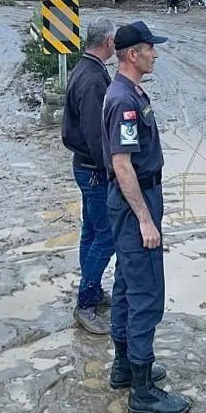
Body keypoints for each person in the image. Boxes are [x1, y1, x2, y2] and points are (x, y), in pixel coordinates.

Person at [102, 21, 190, 413]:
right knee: (145, 292)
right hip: (135, 198)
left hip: (139, 195)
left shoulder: (132, 92)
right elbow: (122, 165)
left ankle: (126, 367)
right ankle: (142, 390)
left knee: (126, 284)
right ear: (132, 54)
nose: (155, 53)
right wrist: (145, 219)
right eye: (150, 48)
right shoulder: (123, 99)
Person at [61, 19, 117, 335]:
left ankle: (91, 290)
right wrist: (114, 171)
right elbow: (97, 136)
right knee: (105, 235)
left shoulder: (84, 69)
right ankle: (85, 302)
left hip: (85, 167)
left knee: (91, 232)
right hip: (94, 171)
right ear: (108, 42)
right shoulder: (93, 79)